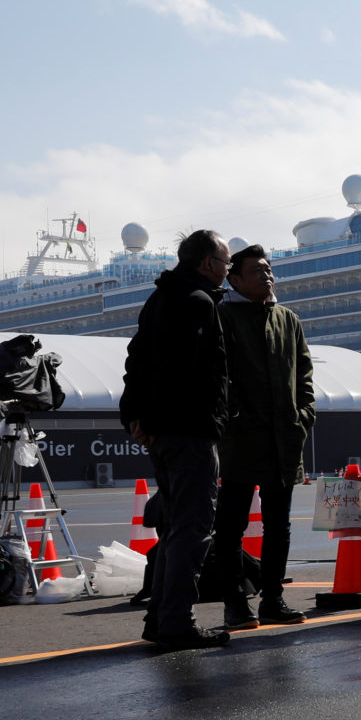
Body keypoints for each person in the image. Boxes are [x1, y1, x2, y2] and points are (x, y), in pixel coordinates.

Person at [121, 229, 233, 650]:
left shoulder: (160, 299)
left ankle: (160, 618)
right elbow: (186, 373)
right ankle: (176, 623)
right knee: (192, 528)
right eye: (224, 263)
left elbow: (138, 361)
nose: (226, 270)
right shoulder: (197, 303)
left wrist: (136, 416)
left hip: (163, 430)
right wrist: (213, 421)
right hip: (189, 431)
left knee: (174, 529)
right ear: (207, 264)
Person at [209, 245, 315, 629]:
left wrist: (304, 415)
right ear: (234, 279)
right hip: (239, 438)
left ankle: (273, 598)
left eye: (269, 270)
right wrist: (232, 418)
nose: (267, 276)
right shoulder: (222, 317)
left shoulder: (288, 319)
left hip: (284, 436)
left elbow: (304, 374)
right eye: (257, 271)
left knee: (279, 524)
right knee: (231, 525)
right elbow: (215, 376)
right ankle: (235, 602)